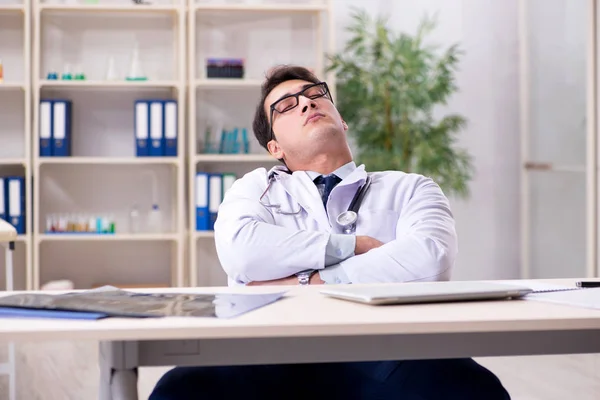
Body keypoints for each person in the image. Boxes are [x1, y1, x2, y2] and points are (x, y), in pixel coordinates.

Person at [149, 65, 511, 399]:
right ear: (274, 147)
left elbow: (430, 259)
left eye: (315, 94)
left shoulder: (410, 188)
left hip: (386, 352)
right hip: (268, 351)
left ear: (343, 120)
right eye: (286, 106)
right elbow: (243, 252)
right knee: (180, 389)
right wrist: (356, 246)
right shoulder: (254, 187)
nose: (306, 103)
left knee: (472, 389)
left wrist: (307, 283)